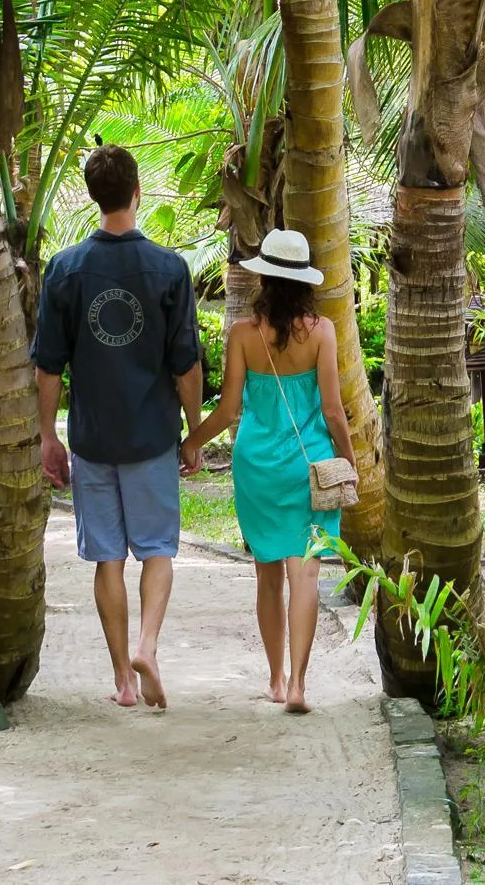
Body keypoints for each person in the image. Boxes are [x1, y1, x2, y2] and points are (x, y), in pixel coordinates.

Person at [33, 144, 203, 710]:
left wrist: (47, 435)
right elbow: (186, 365)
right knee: (156, 551)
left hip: (92, 437)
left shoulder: (65, 269)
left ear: (94, 196)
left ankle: (123, 683)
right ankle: (148, 647)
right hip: (152, 435)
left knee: (107, 557)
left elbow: (48, 364)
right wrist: (194, 431)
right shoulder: (169, 268)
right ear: (137, 192)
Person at [182, 229, 356, 714]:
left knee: (267, 575)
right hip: (307, 466)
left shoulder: (243, 333)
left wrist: (191, 441)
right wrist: (351, 459)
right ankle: (299, 684)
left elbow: (228, 410)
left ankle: (276, 679)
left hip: (256, 466)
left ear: (264, 278)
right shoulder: (321, 332)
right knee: (306, 573)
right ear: (304, 281)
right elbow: (334, 411)